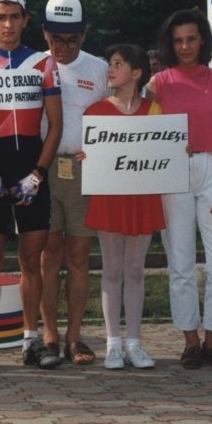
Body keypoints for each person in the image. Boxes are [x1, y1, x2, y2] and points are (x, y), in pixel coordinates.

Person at [0, 0, 63, 371]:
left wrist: (38, 173)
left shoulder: (44, 63)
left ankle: (30, 340)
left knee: (31, 260)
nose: (7, 24)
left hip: (29, 167)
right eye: (0, 17)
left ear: (25, 20)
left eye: (14, 16)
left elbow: (56, 125)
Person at [147, 9, 212, 369]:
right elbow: (145, 135)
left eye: (191, 38)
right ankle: (190, 342)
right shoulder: (158, 83)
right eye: (178, 40)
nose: (185, 46)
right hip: (173, 174)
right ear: (171, 44)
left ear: (203, 40)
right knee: (181, 263)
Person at [80, 44, 165, 369]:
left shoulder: (154, 110)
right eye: (110, 64)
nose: (110, 70)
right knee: (112, 269)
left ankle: (135, 343)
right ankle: (113, 344)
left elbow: (163, 151)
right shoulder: (96, 112)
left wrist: (176, 149)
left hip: (143, 198)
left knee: (135, 270)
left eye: (117, 64)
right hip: (109, 198)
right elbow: (90, 156)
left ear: (137, 72)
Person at [38, 0, 108, 365]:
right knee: (49, 256)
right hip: (44, 169)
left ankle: (75, 338)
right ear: (45, 33)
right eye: (55, 39)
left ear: (84, 34)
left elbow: (121, 115)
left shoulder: (98, 69)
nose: (63, 48)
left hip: (84, 171)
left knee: (79, 256)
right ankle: (49, 335)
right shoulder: (33, 66)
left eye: (72, 40)